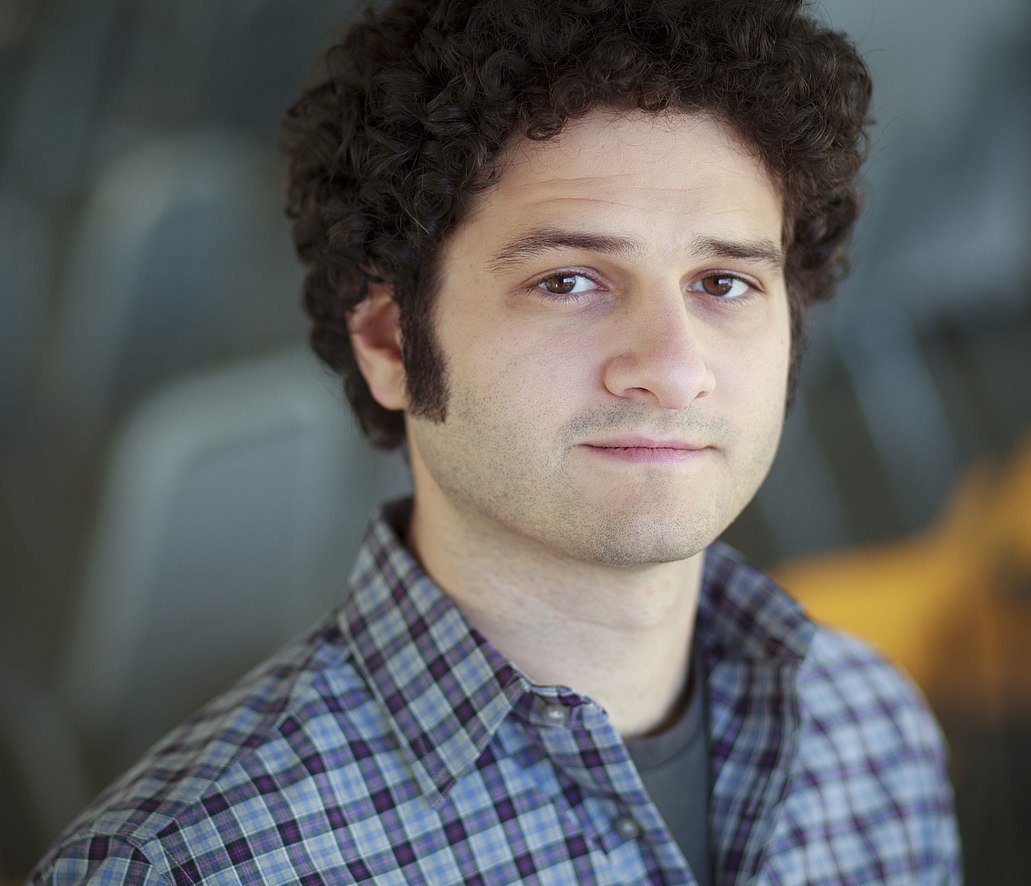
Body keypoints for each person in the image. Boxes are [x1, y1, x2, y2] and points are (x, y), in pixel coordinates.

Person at [32, 0, 961, 882]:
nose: (673, 368)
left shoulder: (873, 730)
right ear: (391, 342)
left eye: (722, 285)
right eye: (568, 281)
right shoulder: (190, 863)